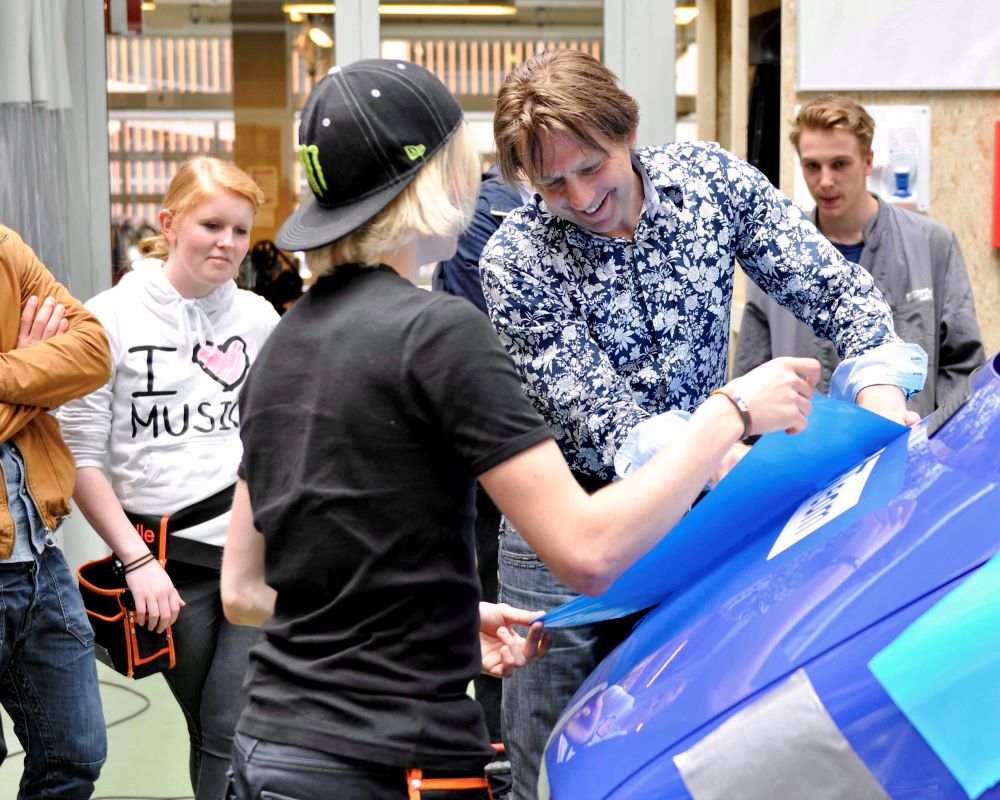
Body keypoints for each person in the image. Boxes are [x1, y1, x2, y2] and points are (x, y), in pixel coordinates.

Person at [219, 58, 822, 800]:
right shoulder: (437, 334)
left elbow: (246, 589)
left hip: (270, 751)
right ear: (444, 175)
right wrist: (726, 414)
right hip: (387, 764)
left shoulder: (281, 345)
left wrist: (436, 618)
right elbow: (589, 553)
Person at [479, 49, 928, 798]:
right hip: (563, 536)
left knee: (686, 743)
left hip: (700, 521)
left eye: (592, 167)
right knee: (547, 764)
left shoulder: (709, 183)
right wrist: (730, 442)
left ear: (625, 131)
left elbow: (839, 294)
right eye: (552, 184)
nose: (581, 196)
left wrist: (880, 391)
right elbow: (612, 422)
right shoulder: (515, 259)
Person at [57, 158, 280, 800]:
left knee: (231, 723)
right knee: (207, 726)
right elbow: (80, 457)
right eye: (212, 224)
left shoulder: (260, 318)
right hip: (162, 566)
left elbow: (276, 435)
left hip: (252, 552)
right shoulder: (107, 318)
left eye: (241, 230)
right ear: (169, 223)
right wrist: (134, 561)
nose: (228, 244)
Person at [733, 95, 986, 416]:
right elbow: (751, 373)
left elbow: (963, 365)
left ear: (868, 161)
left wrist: (938, 443)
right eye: (812, 166)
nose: (825, 181)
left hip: (903, 443)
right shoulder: (773, 254)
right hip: (805, 452)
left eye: (839, 164)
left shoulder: (932, 244)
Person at [0, 225, 111, 797]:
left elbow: (92, 352)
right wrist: (35, 371)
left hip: (40, 556)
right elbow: (62, 369)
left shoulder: (4, 248)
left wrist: (7, 370)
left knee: (74, 756)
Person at [432, 164, 524, 771]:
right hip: (504, 459)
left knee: (501, 625)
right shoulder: (485, 220)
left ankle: (499, 764)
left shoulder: (486, 215)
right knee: (505, 628)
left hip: (492, 459)